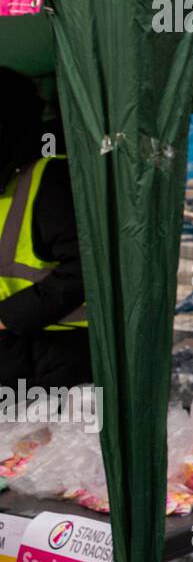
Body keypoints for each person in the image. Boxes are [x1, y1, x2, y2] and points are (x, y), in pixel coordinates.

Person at [0, 67, 91, 393]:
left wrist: (9, 316)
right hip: (15, 350)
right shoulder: (8, 177)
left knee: (53, 444)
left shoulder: (50, 176)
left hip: (58, 352)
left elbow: (85, 268)